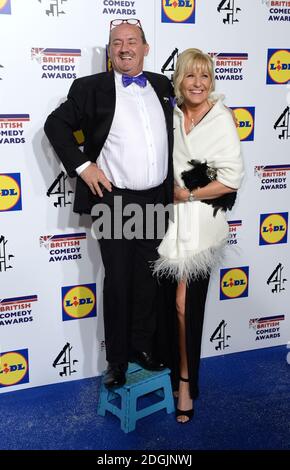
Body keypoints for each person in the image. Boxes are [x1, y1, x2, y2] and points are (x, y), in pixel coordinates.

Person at [44, 19, 174, 389]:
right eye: (117, 42)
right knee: (119, 281)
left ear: (146, 48)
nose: (125, 48)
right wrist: (84, 167)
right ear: (109, 50)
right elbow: (56, 125)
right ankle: (116, 361)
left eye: (132, 41)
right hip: (115, 199)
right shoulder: (91, 88)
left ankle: (142, 348)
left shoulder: (162, 85)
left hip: (155, 198)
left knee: (149, 278)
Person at [154, 48, 244, 423]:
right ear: (179, 80)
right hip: (168, 220)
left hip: (202, 221)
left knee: (184, 304)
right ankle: (174, 372)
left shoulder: (221, 118)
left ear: (212, 82)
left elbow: (231, 179)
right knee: (166, 304)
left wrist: (188, 193)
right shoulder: (172, 113)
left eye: (205, 77)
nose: (198, 84)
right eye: (191, 76)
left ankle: (187, 382)